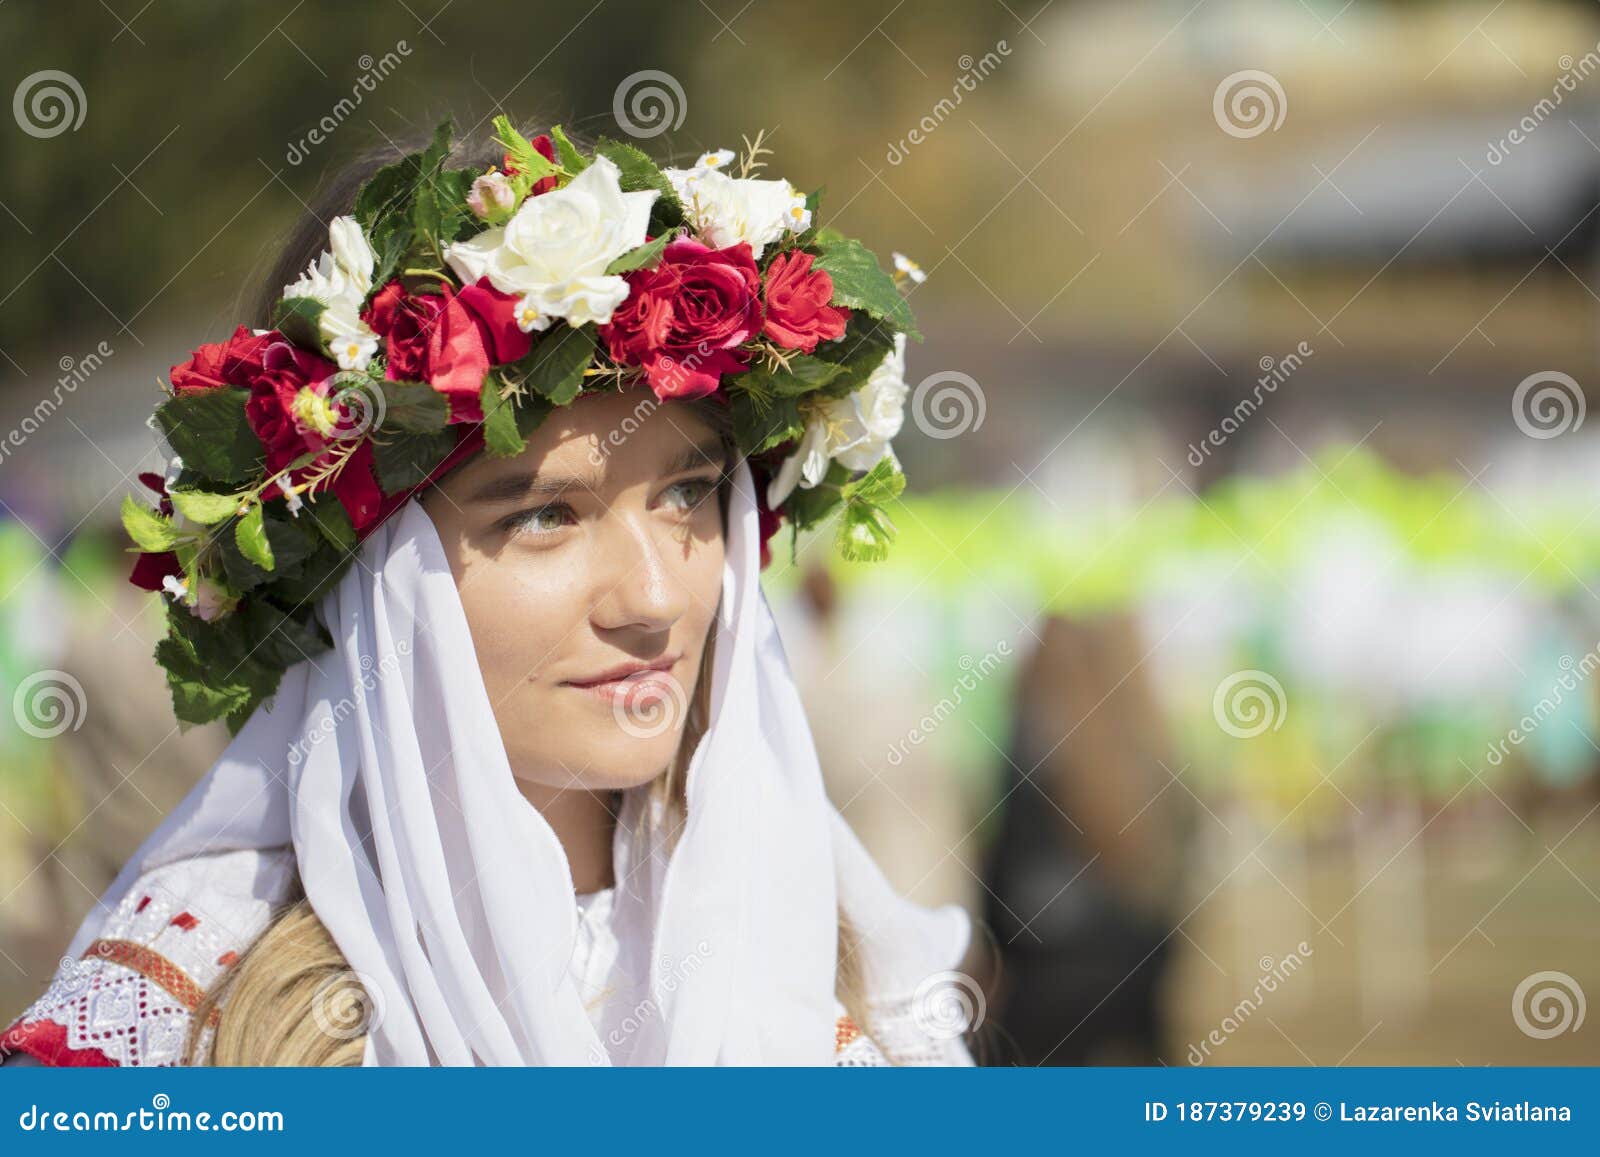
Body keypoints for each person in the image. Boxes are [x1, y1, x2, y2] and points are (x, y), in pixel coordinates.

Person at [0, 117, 975, 1067]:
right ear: (366, 580)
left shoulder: (833, 996)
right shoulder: (187, 1030)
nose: (651, 597)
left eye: (689, 492)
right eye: (544, 514)